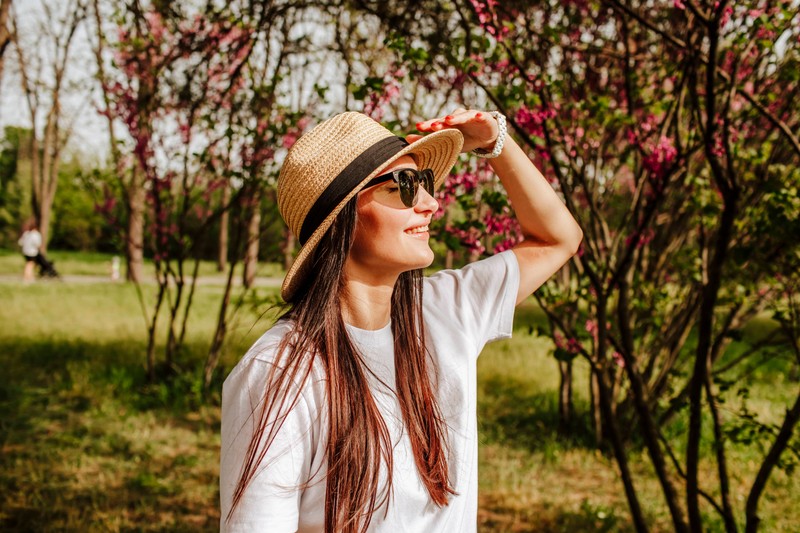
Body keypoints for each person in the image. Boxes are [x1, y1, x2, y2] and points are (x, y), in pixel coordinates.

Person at [220, 109, 583, 532]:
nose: (430, 203)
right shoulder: (281, 372)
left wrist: (495, 141)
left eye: (425, 183)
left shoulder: (444, 312)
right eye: (405, 187)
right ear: (344, 219)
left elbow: (559, 240)